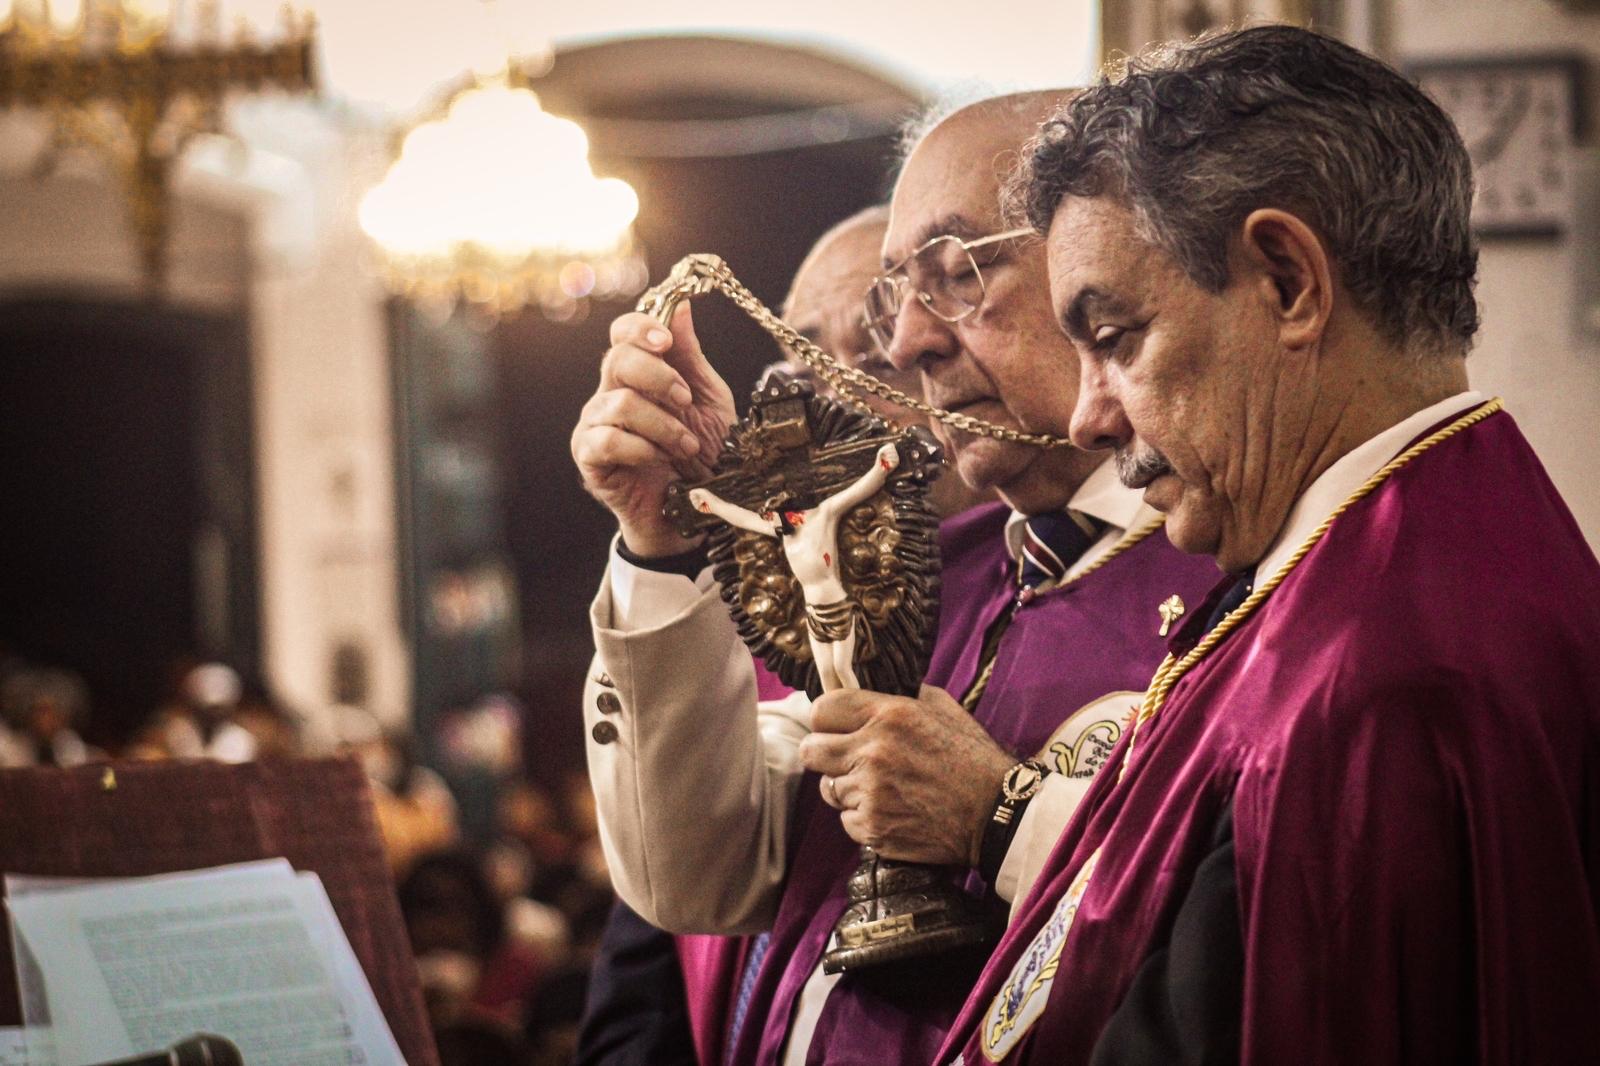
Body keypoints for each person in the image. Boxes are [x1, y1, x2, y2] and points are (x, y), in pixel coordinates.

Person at [937, 26, 1600, 1065]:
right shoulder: (1440, 543)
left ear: (1288, 281)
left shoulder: (1370, 682)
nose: (1088, 420)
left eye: (1114, 340)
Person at [571, 91, 1219, 1063]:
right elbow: (691, 876)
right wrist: (659, 541)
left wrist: (1001, 814)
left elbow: (1252, 949)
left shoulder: (1228, 574)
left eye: (955, 276)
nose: (910, 347)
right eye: (797, 357)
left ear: (1102, 275)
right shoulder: (921, 577)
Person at [687, 442, 899, 692]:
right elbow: (742, 517)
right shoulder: (782, 530)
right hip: (813, 612)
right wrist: (711, 504)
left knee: (843, 668)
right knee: (826, 674)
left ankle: (861, 716)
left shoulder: (823, 515)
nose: (775, 518)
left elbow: (858, 490)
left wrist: (882, 466)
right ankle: (837, 726)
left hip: (838, 608)